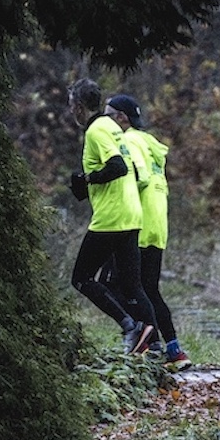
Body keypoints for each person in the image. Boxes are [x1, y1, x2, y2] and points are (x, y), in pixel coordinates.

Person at [67, 78, 158, 355]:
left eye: (71, 106)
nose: (71, 112)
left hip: (111, 218)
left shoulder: (96, 130)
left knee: (81, 278)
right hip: (131, 213)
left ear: (79, 106)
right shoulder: (112, 126)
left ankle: (129, 326)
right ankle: (153, 347)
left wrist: (87, 178)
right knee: (133, 285)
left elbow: (117, 166)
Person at [105, 94, 190, 373]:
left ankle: (148, 344)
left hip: (136, 225)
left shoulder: (128, 141)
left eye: (108, 115)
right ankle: (173, 349)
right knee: (148, 289)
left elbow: (138, 176)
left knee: (113, 285)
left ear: (122, 118)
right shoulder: (149, 142)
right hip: (156, 225)